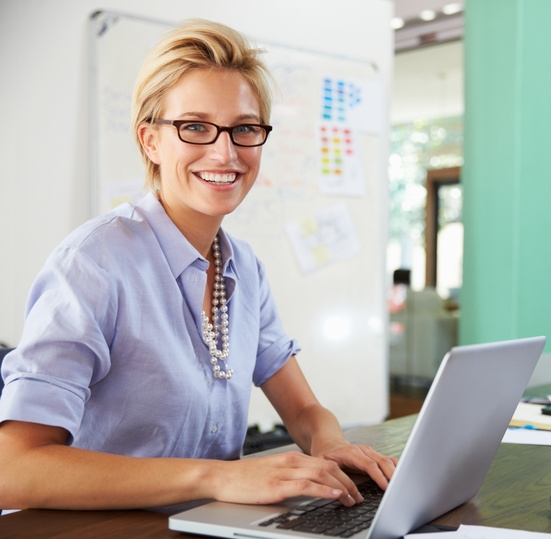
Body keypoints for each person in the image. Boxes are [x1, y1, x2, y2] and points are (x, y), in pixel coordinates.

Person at [0, 19, 395, 511]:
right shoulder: (94, 264)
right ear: (150, 141)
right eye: (195, 127)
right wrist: (217, 479)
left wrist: (330, 442)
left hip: (200, 535)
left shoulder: (243, 268)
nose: (225, 152)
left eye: (245, 128)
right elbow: (14, 468)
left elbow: (304, 408)